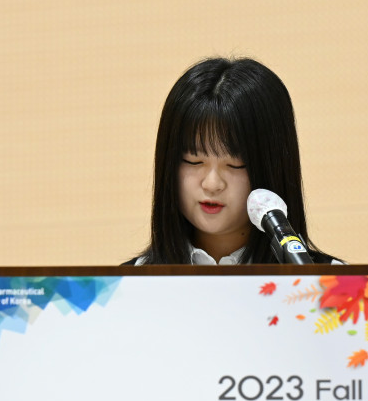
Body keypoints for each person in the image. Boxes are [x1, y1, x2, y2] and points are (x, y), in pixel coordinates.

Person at [129, 57, 342, 265]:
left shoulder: (330, 282)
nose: (212, 184)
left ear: (273, 167)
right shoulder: (127, 283)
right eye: (193, 160)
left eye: (235, 164)